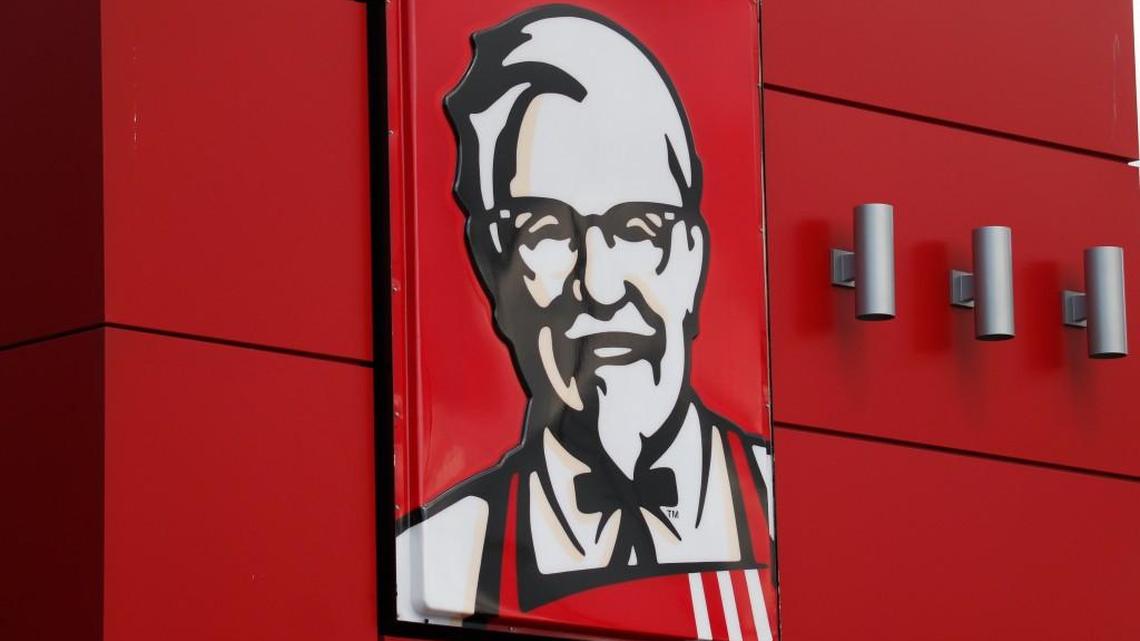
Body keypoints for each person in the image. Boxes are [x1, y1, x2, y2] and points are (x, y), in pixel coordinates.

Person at [396, 6, 776, 640]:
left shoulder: (792, 517)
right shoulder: (437, 564)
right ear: (495, 275)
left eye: (636, 228)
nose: (599, 285)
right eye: (548, 230)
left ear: (689, 256)